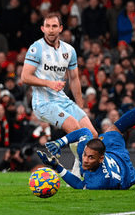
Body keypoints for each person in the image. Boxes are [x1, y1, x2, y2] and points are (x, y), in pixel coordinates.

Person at [37, 95, 135, 189]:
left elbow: (79, 185)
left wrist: (57, 167)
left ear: (101, 159)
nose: (85, 160)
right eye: (84, 155)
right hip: (119, 157)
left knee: (134, 177)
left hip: (125, 175)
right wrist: (59, 143)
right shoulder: (87, 151)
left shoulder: (98, 183)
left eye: (90, 158)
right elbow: (84, 132)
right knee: (116, 127)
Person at [21, 12, 97, 175]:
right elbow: (25, 76)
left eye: (54, 26)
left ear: (60, 28)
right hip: (43, 102)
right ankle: (78, 173)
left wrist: (81, 106)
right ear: (42, 28)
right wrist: (49, 83)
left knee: (92, 134)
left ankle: (80, 166)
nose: (50, 30)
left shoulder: (69, 50)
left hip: (62, 99)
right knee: (76, 128)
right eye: (47, 26)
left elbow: (75, 78)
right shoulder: (37, 48)